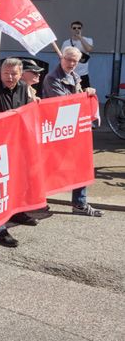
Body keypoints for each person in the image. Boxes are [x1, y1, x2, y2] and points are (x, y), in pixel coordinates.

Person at [0, 57, 39, 245]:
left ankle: (17, 212)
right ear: (0, 73)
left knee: (18, 181)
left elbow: (29, 110)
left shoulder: (24, 88)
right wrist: (7, 116)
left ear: (21, 74)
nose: (10, 77)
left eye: (14, 73)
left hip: (18, 143)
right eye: (6, 73)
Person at [42, 46, 103, 217]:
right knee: (50, 167)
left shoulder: (75, 76)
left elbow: (76, 99)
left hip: (73, 128)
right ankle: (39, 202)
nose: (71, 63)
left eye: (75, 61)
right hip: (56, 130)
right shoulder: (52, 78)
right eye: (68, 59)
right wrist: (83, 97)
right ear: (61, 58)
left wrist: (87, 92)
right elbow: (62, 102)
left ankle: (80, 203)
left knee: (80, 165)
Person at [62, 20, 94, 90]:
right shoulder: (66, 43)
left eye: (79, 28)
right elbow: (62, 58)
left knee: (85, 93)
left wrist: (80, 38)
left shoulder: (88, 40)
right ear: (71, 30)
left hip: (83, 74)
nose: (76, 29)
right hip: (70, 74)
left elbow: (89, 49)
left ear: (81, 29)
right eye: (74, 28)